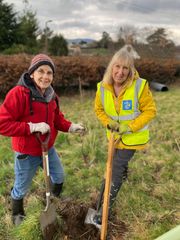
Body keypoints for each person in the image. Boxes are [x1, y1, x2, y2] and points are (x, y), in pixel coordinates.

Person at [0, 54, 85, 226]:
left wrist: (70, 127)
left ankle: (53, 201)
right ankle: (17, 213)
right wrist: (31, 127)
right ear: (32, 73)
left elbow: (57, 119)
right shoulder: (19, 94)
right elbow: (2, 124)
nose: (45, 76)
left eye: (49, 73)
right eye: (41, 71)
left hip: (48, 148)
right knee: (22, 187)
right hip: (26, 152)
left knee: (59, 176)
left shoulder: (52, 95)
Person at [92, 49, 157, 228]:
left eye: (125, 68)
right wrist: (109, 123)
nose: (120, 72)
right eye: (117, 67)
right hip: (114, 137)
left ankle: (104, 211)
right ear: (111, 68)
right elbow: (99, 110)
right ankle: (100, 204)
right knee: (110, 169)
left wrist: (129, 127)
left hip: (132, 138)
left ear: (130, 71)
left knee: (115, 170)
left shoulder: (139, 86)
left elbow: (150, 110)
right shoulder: (102, 88)